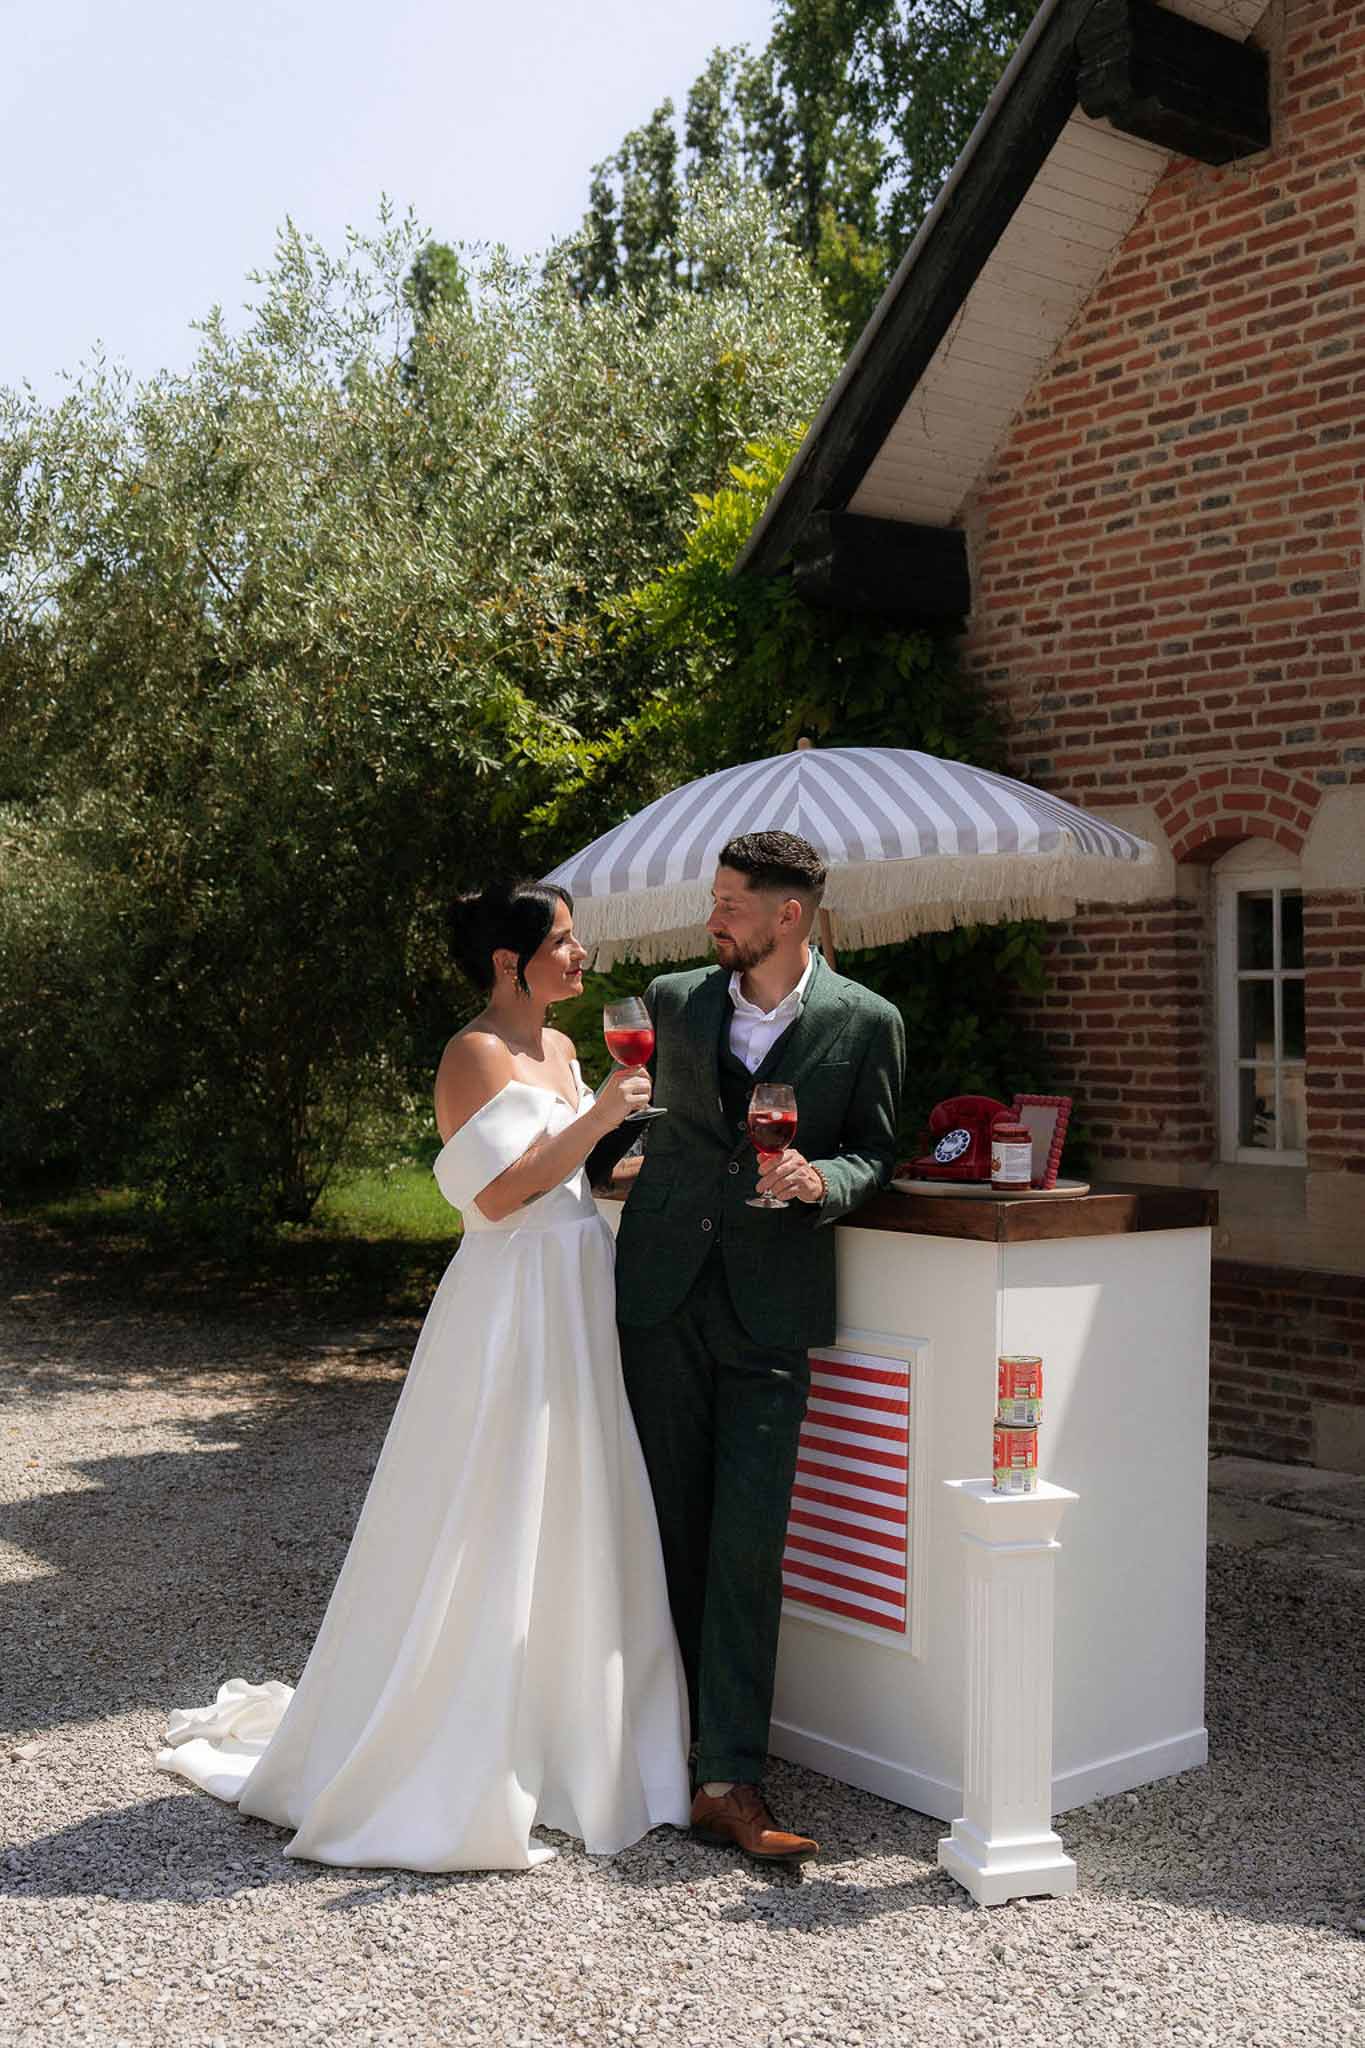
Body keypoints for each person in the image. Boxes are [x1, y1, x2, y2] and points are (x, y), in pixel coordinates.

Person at [157, 881, 690, 1870]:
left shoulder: (570, 1050)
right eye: (564, 942)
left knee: (578, 1498)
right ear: (508, 961)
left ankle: (577, 1738)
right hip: (512, 1298)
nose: (582, 958)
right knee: (491, 1501)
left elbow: (580, 1175)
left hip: (577, 1284)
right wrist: (607, 1113)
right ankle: (458, 1745)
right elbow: (497, 1191)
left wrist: (669, 1158)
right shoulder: (472, 1053)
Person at [615, 832, 905, 1864]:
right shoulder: (671, 997)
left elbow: (875, 1148)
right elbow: (636, 1125)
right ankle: (666, 1755)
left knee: (747, 1542)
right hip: (659, 1294)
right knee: (666, 1530)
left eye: (732, 901)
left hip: (771, 1308)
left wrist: (823, 1180)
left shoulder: (867, 1021)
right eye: (715, 898)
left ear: (790, 914)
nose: (714, 917)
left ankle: (731, 1778)